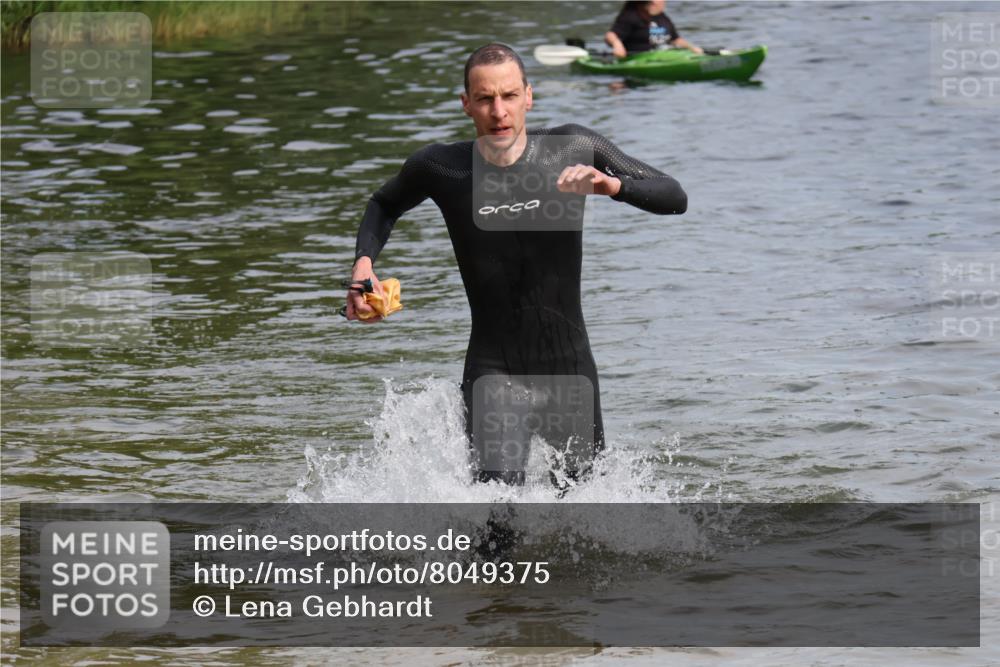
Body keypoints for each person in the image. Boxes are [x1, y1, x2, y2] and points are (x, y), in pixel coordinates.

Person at [346, 43, 687, 488]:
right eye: (485, 98)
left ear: (529, 96)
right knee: (496, 521)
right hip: (495, 371)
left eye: (508, 96)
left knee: (589, 516)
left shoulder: (572, 148)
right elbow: (384, 203)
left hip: (570, 369)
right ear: (466, 104)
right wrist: (363, 266)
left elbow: (674, 195)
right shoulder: (443, 168)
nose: (498, 111)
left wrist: (614, 186)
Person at [605, 0, 703, 58]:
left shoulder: (663, 17)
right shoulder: (631, 16)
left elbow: (675, 39)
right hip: (640, 58)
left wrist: (692, 48)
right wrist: (617, 45)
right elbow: (610, 35)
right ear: (652, 2)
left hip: (665, 55)